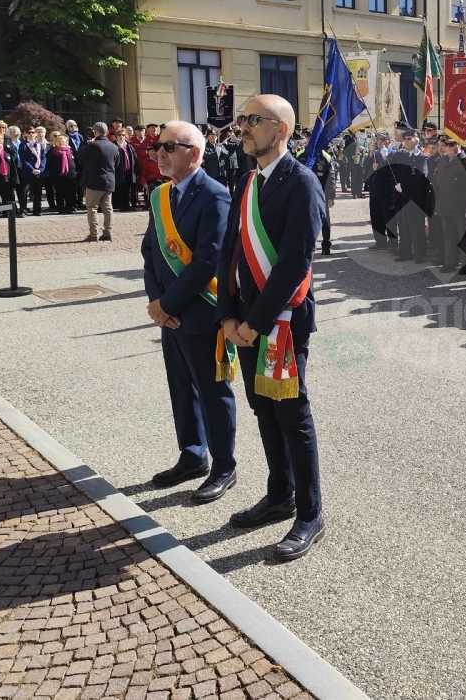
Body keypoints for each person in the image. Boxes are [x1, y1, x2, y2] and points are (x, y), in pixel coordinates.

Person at [218, 93, 327, 560]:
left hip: (280, 322)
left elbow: (293, 262)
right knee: (262, 409)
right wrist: (228, 315)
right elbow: (230, 253)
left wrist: (255, 323)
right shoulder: (246, 182)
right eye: (242, 119)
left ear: (280, 129)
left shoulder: (301, 183)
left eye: (253, 120)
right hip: (244, 321)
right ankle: (278, 494)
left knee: (292, 416)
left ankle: (309, 513)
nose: (242, 126)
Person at [141, 121, 238, 504]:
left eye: (169, 147)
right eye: (158, 147)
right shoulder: (161, 195)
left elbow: (206, 262)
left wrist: (168, 304)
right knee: (181, 388)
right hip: (169, 314)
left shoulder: (215, 196)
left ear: (193, 153)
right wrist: (157, 304)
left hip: (200, 311)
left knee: (213, 393)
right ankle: (192, 455)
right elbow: (150, 252)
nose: (160, 153)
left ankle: (223, 466)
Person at [429, 135, 466, 273]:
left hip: (460, 207)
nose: (447, 148)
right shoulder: (442, 161)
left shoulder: (465, 161)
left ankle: (465, 264)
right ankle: (450, 262)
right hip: (445, 205)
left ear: (458, 145)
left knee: (462, 237)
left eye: (451, 145)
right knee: (448, 236)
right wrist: (437, 205)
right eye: (446, 145)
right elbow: (437, 185)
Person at [390, 131, 430, 264]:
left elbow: (422, 176)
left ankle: (419, 254)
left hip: (414, 198)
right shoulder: (400, 154)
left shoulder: (422, 157)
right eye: (404, 139)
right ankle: (405, 252)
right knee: (403, 226)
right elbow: (390, 166)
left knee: (416, 228)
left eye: (409, 139)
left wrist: (404, 185)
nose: (406, 141)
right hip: (400, 197)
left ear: (416, 141)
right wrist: (384, 155)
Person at [78, 122, 121, 242]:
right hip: (109, 180)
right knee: (107, 208)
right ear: (107, 132)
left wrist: (88, 144)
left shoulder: (93, 145)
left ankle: (94, 234)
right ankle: (108, 232)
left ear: (95, 132)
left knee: (92, 207)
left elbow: (80, 155)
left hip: (94, 181)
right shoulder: (114, 146)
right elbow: (117, 163)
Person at [293, 141, 337, 256]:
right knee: (303, 220)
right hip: (303, 194)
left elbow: (331, 178)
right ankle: (305, 245)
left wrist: (331, 196)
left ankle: (326, 245)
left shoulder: (326, 157)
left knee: (324, 220)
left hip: (321, 194)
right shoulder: (299, 155)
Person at [18, 127, 48, 217]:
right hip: (28, 172)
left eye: (33, 132)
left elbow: (43, 157)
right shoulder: (23, 145)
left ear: (36, 134)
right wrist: (32, 169)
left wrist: (41, 169)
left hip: (39, 172)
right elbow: (23, 159)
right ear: (26, 134)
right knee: (24, 192)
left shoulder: (39, 144)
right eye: (29, 132)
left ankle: (37, 210)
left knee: (38, 192)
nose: (31, 134)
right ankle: (23, 210)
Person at [48, 132, 79, 214]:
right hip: (57, 175)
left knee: (70, 192)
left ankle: (69, 207)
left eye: (63, 141)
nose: (61, 142)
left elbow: (76, 161)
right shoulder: (52, 152)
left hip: (71, 175)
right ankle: (60, 208)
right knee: (60, 192)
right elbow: (48, 164)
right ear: (55, 142)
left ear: (66, 142)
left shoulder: (71, 150)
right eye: (59, 141)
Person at [113, 128, 140, 211]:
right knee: (120, 189)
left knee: (128, 188)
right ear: (116, 136)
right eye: (119, 135)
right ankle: (121, 205)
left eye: (123, 135)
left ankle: (127, 204)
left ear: (126, 136)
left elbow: (135, 158)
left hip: (129, 171)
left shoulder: (129, 146)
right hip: (118, 171)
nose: (121, 137)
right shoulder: (114, 146)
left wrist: (137, 171)